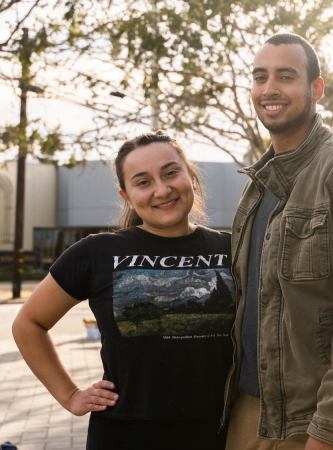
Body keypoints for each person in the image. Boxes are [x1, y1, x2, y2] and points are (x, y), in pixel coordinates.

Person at [222, 33, 333, 450]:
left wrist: (329, 430)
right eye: (260, 77)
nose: (269, 88)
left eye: (285, 76)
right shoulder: (258, 184)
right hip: (254, 412)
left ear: (316, 88)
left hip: (327, 420)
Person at [12, 131, 235, 450]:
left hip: (219, 435)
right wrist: (70, 395)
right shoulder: (97, 251)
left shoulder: (233, 248)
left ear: (191, 176)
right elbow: (28, 324)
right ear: (126, 195)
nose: (162, 190)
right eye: (143, 182)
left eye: (171, 173)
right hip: (123, 436)